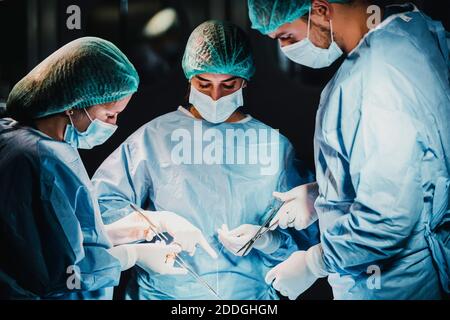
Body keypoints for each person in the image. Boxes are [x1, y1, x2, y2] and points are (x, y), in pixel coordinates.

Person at [92, 20, 318, 300]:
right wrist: (148, 233)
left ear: (244, 81)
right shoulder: (156, 138)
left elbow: (308, 233)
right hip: (165, 295)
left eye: (228, 84)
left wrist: (269, 242)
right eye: (204, 83)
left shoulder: (272, 145)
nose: (215, 95)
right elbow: (103, 207)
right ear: (189, 78)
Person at [248, 0, 450, 299]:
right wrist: (326, 191)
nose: (286, 49)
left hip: (389, 285)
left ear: (319, 10)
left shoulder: (377, 77)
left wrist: (313, 263)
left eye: (286, 37)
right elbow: (414, 165)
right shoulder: (412, 33)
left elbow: (387, 219)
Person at [0, 37, 191, 300]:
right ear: (72, 105)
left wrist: (141, 227)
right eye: (109, 115)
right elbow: (65, 271)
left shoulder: (24, 138)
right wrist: (132, 255)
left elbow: (56, 237)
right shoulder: (42, 160)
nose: (114, 125)